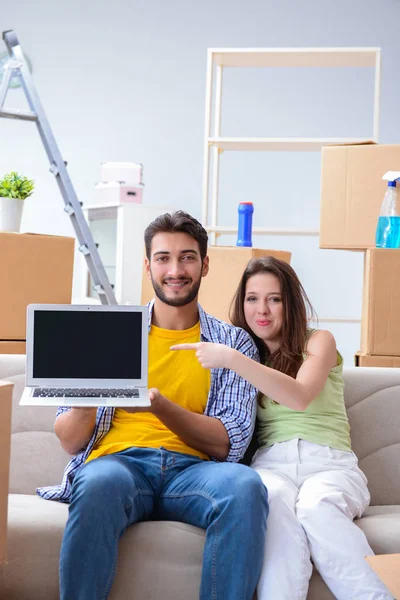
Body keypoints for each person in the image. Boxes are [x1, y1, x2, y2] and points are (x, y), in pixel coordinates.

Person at [37, 211, 269, 600]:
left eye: (187, 257)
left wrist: (158, 406)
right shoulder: (104, 333)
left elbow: (229, 443)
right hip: (120, 465)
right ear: (147, 266)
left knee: (245, 486)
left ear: (205, 264)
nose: (175, 269)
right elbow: (69, 440)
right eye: (163, 258)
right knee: (96, 482)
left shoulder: (233, 345)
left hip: (196, 472)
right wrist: (93, 394)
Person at [172, 256, 393, 600]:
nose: (262, 309)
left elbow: (301, 396)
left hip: (330, 464)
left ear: (290, 303)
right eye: (252, 298)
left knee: (315, 507)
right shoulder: (245, 354)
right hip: (272, 465)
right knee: (271, 503)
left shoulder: (317, 341)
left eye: (274, 299)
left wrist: (232, 359)